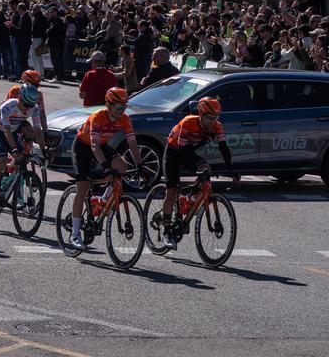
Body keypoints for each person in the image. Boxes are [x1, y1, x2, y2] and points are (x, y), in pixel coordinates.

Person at [67, 87, 143, 252]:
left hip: (103, 146)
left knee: (122, 166)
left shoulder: (124, 119)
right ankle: (74, 234)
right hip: (83, 147)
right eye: (118, 108)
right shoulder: (98, 117)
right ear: (109, 105)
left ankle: (103, 200)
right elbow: (93, 145)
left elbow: (132, 144)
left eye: (124, 107)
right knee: (83, 187)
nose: (122, 111)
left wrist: (140, 165)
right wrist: (105, 166)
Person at [160, 97, 236, 249]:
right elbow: (182, 152)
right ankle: (167, 231)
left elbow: (224, 149)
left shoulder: (217, 126)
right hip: (174, 152)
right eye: (209, 118)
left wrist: (232, 171)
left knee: (205, 170)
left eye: (215, 118)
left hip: (189, 151)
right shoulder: (188, 122)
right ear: (200, 114)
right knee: (172, 190)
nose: (212, 121)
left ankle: (191, 199)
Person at [0, 83, 41, 204]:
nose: (27, 109)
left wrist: (44, 150)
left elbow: (37, 130)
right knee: (2, 161)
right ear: (20, 98)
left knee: (21, 160)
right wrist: (14, 149)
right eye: (25, 104)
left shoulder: (34, 108)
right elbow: (6, 131)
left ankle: (15, 192)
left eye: (30, 106)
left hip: (12, 130)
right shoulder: (8, 106)